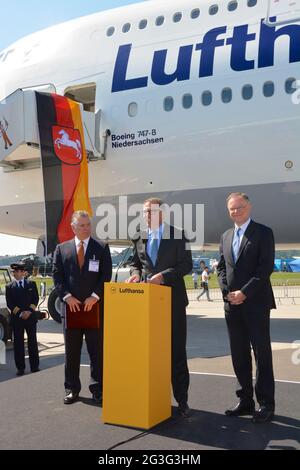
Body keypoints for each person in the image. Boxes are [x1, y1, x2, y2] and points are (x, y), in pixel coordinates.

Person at [126, 198, 193, 418]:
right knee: (149, 353)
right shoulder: (138, 235)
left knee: (176, 353)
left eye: (153, 211)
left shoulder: (178, 234)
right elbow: (136, 262)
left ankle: (182, 401)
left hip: (172, 303)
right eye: (146, 212)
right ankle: (153, 398)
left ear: (162, 213)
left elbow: (186, 265)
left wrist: (163, 277)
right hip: (147, 304)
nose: (148, 215)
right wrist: (135, 275)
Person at [217, 192, 276, 423]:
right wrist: (227, 293)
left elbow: (265, 268)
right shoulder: (225, 236)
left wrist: (244, 292)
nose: (236, 211)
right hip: (232, 305)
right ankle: (245, 400)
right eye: (232, 208)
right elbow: (221, 268)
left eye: (240, 207)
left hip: (256, 303)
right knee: (239, 353)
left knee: (261, 354)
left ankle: (266, 403)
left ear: (249, 207)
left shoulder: (263, 233)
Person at [52, 211, 112, 405]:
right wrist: (67, 297)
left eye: (88, 225)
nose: (86, 228)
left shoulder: (101, 247)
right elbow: (57, 276)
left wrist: (94, 297)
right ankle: (71, 388)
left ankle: (98, 389)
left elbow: (106, 275)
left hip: (94, 308)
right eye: (82, 225)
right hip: (71, 310)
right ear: (73, 227)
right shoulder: (62, 249)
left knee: (97, 351)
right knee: (71, 352)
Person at [5, 262, 40, 376]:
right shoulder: (9, 287)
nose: (14, 274)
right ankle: (20, 368)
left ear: (21, 272)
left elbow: (35, 299)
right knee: (18, 344)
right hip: (17, 320)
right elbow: (10, 303)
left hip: (30, 318)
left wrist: (29, 311)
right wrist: (21, 313)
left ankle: (34, 366)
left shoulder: (31, 284)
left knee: (32, 343)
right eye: (13, 272)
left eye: (15, 272)